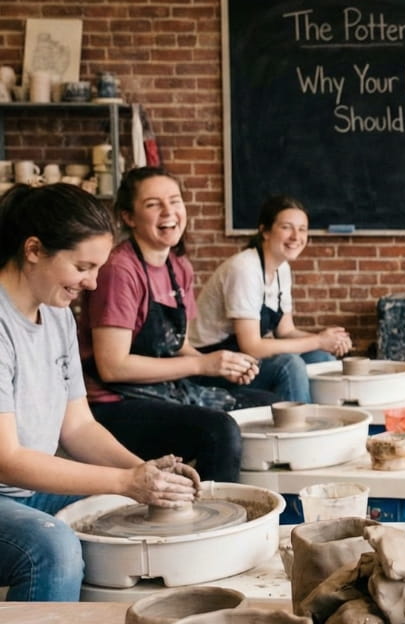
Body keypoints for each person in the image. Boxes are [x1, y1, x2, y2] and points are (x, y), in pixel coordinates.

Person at [0, 183, 199, 601]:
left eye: (98, 269)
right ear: (34, 249)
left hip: (24, 491)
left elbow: (78, 427)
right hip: (7, 484)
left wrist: (147, 474)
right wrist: (125, 481)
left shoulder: (57, 317)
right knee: (51, 547)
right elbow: (8, 460)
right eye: (83, 267)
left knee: (124, 508)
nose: (92, 283)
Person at [80, 167, 283, 483]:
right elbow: (113, 367)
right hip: (115, 404)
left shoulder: (178, 267)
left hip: (162, 389)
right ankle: (206, 519)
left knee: (270, 408)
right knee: (219, 431)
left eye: (175, 201)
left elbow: (176, 344)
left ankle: (261, 504)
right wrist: (202, 363)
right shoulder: (120, 270)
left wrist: (225, 365)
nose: (168, 212)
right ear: (128, 217)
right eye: (153, 204)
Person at [188, 195, 352, 400]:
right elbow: (253, 346)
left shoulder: (282, 268)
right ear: (265, 231)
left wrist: (330, 341)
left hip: (242, 357)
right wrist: (318, 340)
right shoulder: (245, 269)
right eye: (287, 227)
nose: (296, 236)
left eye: (302, 229)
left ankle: (331, 423)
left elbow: (286, 331)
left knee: (321, 358)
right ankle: (300, 429)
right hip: (212, 364)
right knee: (289, 365)